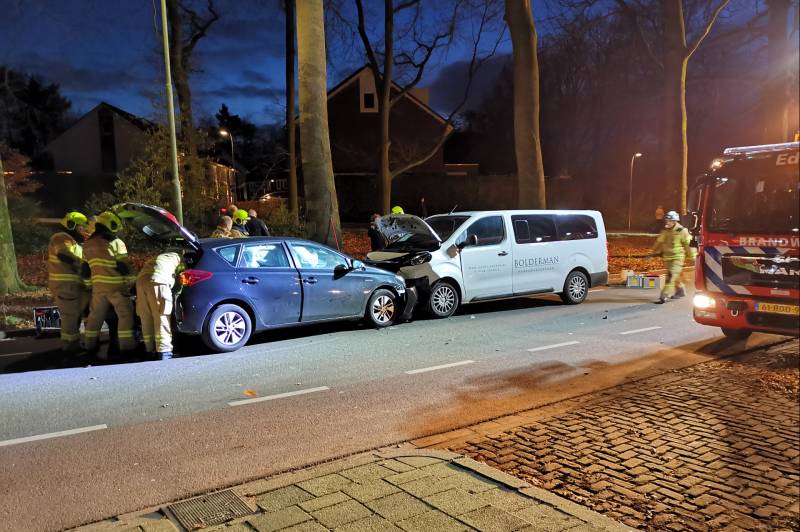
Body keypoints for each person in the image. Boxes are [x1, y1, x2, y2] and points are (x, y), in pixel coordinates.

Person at [82, 211, 137, 357]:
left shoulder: (87, 244)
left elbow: (85, 269)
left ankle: (89, 346)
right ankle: (127, 347)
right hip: (116, 288)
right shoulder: (116, 243)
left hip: (98, 289)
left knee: (95, 318)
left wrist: (89, 285)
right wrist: (132, 282)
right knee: (125, 316)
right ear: (110, 225)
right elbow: (123, 267)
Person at [47, 211, 90, 352]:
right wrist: (82, 265)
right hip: (65, 286)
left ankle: (75, 344)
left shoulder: (74, 242)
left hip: (75, 286)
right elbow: (65, 255)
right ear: (74, 226)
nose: (83, 230)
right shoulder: (60, 237)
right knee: (70, 317)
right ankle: (70, 347)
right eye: (81, 227)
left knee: (77, 316)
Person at [136, 248, 183, 360]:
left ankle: (150, 350)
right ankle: (164, 351)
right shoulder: (179, 259)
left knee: (146, 317)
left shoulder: (160, 257)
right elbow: (180, 278)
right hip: (159, 282)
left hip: (140, 282)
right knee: (161, 317)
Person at [650, 210, 696, 304]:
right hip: (667, 258)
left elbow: (688, 245)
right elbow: (658, 242)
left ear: (675, 221)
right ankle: (680, 291)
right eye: (667, 220)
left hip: (677, 258)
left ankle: (664, 295)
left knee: (670, 276)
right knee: (675, 275)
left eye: (670, 221)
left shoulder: (682, 231)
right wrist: (652, 252)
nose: (667, 222)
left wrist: (692, 258)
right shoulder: (665, 231)